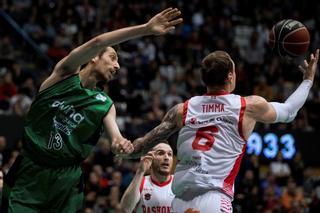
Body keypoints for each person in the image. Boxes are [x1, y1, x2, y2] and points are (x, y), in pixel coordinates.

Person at [2, 8, 182, 213]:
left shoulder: (105, 104)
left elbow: (115, 139)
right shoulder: (63, 74)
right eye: (113, 58)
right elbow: (98, 42)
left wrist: (120, 145)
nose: (117, 66)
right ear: (95, 57)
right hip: (28, 172)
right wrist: (145, 29)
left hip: (65, 183)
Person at [123, 49, 319, 212]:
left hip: (179, 202)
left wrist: (122, 147)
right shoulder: (247, 106)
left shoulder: (182, 109)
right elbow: (289, 111)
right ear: (231, 76)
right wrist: (308, 80)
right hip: (215, 200)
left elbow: (142, 145)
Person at [120, 142, 174, 213]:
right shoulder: (140, 182)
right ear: (150, 157)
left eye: (169, 154)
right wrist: (140, 171)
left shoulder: (179, 182)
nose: (166, 157)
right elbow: (125, 209)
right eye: (161, 153)